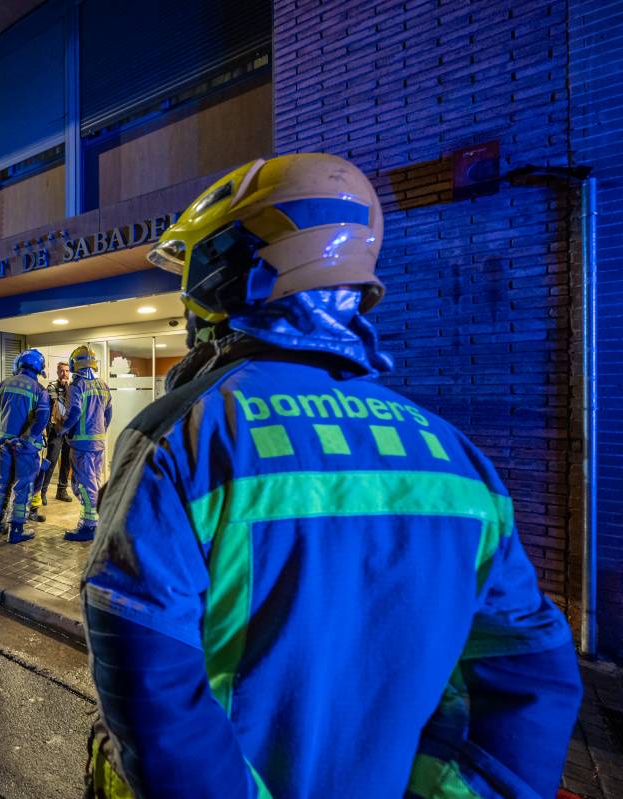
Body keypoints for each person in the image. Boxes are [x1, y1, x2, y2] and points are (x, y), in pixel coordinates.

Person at [81, 153, 582, 798]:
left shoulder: (184, 435)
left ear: (225, 271)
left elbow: (150, 680)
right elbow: (528, 670)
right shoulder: (455, 454)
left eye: (192, 274)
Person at [0, 349, 51, 544]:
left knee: (2, 484)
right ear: (38, 368)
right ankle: (16, 531)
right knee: (22, 486)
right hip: (25, 449)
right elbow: (42, 418)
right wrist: (24, 440)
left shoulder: (3, 385)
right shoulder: (39, 390)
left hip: (2, 446)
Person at [59, 345, 112, 542]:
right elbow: (109, 413)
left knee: (83, 484)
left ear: (75, 364)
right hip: (98, 444)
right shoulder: (103, 385)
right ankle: (91, 521)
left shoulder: (77, 385)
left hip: (82, 446)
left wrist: (63, 429)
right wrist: (100, 432)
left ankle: (90, 526)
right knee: (94, 483)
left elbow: (74, 411)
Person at [40, 361, 73, 504]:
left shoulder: (72, 387)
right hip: (56, 430)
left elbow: (76, 407)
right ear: (57, 372)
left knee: (66, 461)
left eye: (67, 370)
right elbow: (60, 407)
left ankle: (62, 490)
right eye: (61, 371)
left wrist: (68, 389)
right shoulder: (51, 387)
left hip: (69, 430)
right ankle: (41, 491)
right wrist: (67, 389)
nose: (64, 373)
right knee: (51, 460)